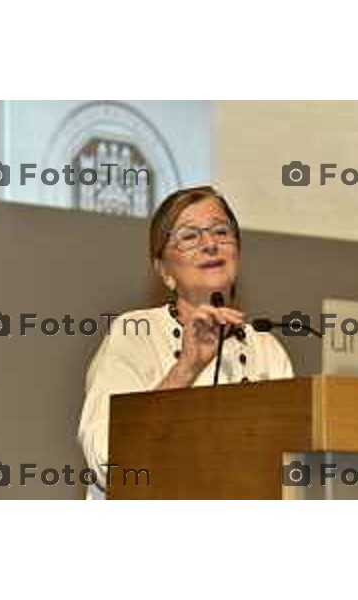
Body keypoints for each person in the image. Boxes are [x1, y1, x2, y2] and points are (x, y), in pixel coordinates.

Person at [77, 185, 294, 499]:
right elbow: (106, 461)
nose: (209, 244)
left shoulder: (266, 349)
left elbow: (289, 471)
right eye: (190, 236)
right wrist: (186, 368)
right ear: (164, 271)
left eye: (221, 231)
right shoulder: (135, 333)